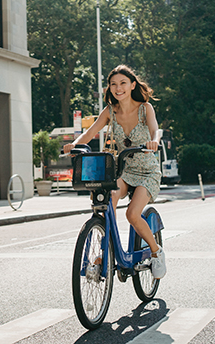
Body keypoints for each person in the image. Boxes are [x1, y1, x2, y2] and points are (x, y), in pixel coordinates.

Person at [63, 64, 166, 279]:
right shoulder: (110, 111)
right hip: (124, 169)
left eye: (122, 83)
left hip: (147, 171)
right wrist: (74, 145)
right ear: (109, 88)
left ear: (132, 85)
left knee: (132, 214)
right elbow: (90, 133)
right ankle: (107, 250)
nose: (118, 88)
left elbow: (155, 129)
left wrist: (154, 141)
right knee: (107, 200)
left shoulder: (145, 108)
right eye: (113, 84)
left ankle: (156, 252)